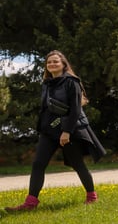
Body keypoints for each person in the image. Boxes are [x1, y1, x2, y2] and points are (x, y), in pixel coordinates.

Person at [5, 51, 106, 212]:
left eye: (55, 62)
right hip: (49, 131)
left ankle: (92, 197)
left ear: (63, 64)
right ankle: (30, 203)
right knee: (38, 164)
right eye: (49, 62)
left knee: (77, 164)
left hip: (68, 131)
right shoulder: (46, 83)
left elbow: (75, 110)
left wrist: (66, 132)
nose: (52, 64)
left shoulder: (71, 82)